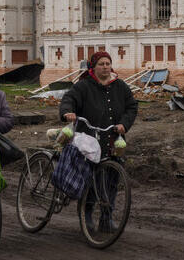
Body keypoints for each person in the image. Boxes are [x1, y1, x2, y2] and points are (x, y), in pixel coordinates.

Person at [59, 51, 138, 231]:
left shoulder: (120, 86)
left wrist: (124, 124)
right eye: (101, 64)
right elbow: (68, 99)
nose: (105, 67)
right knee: (91, 178)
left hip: (113, 140)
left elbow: (132, 106)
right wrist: (68, 112)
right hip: (89, 141)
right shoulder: (83, 86)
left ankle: (106, 216)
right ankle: (86, 213)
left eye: (107, 63)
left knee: (111, 179)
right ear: (93, 67)